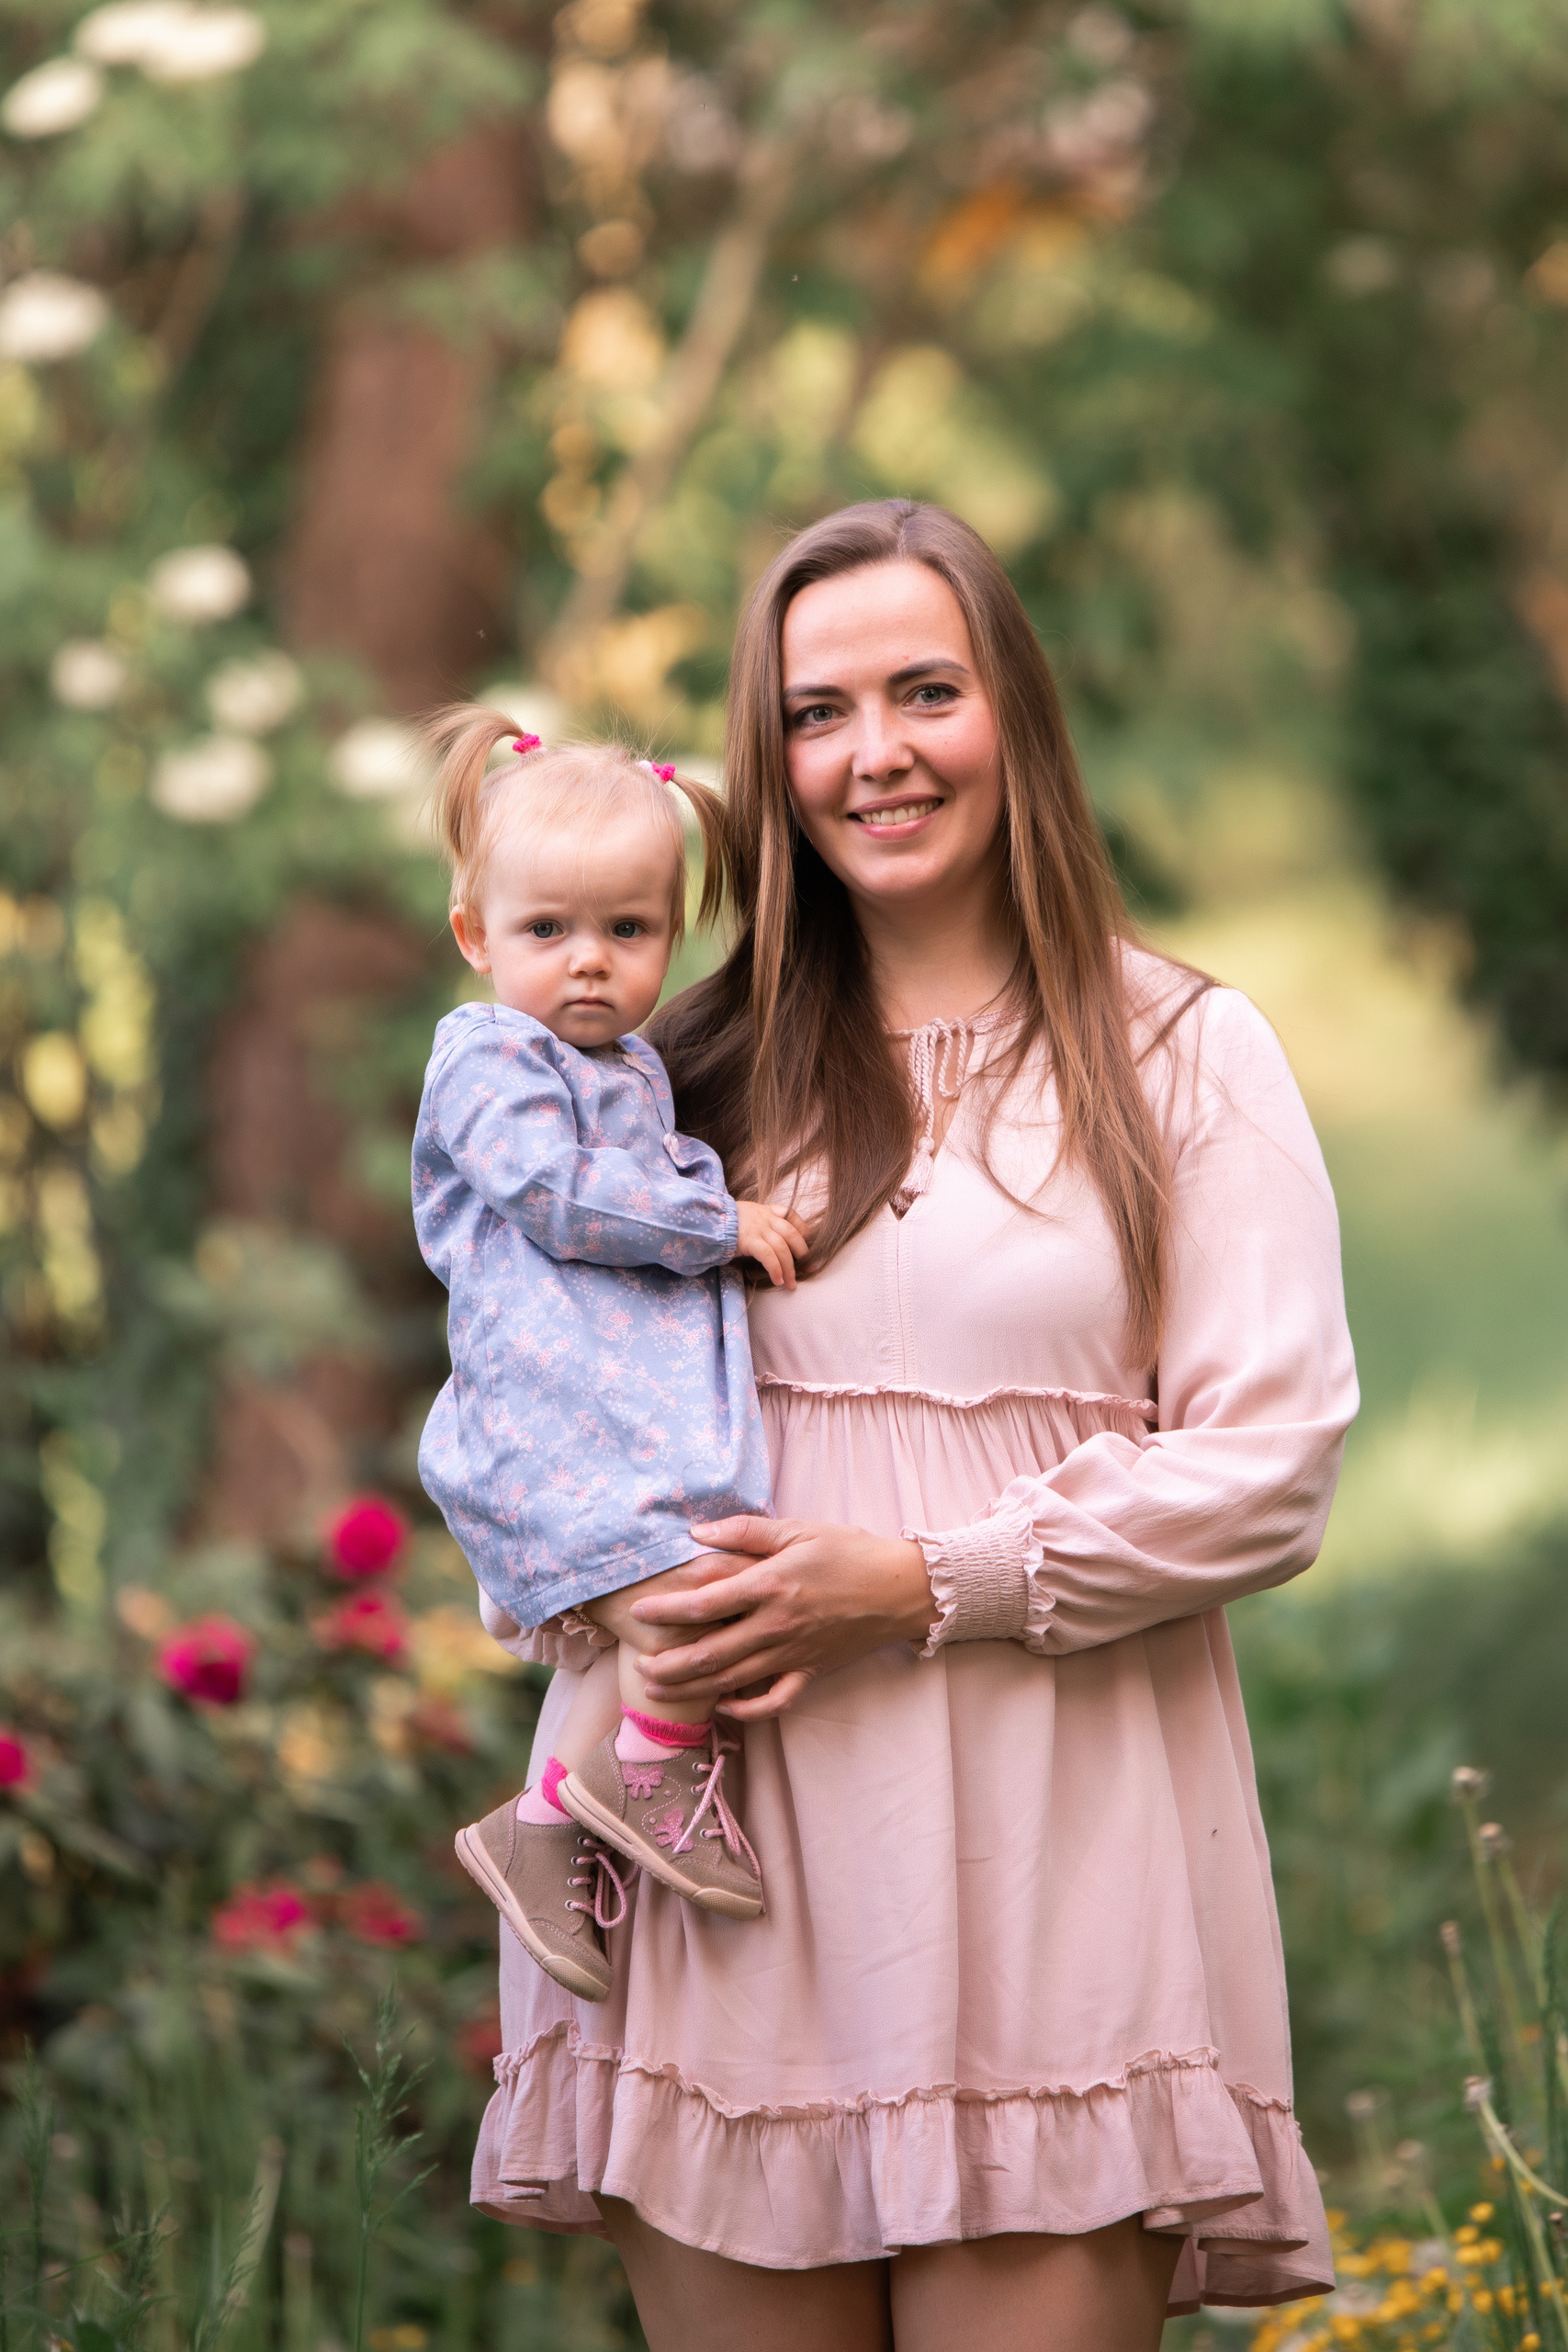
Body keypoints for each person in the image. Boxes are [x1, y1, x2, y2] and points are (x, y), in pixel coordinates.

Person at [470, 501, 1359, 2351]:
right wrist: (595, 1598)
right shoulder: (667, 1079)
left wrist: (914, 1577)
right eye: (814, 712)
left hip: (1049, 1843)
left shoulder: (1180, 1053)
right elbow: (519, 1379)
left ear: (1012, 713)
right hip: (723, 1851)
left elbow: (1266, 1464)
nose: (870, 750)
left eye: (923, 691)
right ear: (763, 761)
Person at [412, 713, 807, 2001]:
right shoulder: (488, 1058)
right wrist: (720, 1223)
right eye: (547, 932)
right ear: (478, 937)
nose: (589, 963)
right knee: (685, 1606)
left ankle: (541, 1830)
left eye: (628, 932)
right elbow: (557, 1195)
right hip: (547, 1425)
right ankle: (653, 1776)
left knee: (667, 1599)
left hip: (615, 1422)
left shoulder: (628, 1062)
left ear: (672, 937)